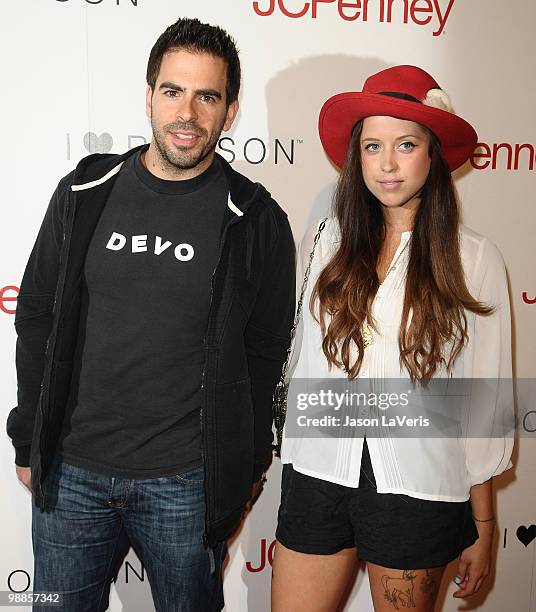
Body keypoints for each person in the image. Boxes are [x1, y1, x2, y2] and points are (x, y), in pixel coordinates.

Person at [6, 17, 295, 612]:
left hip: (186, 485)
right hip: (73, 475)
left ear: (230, 110)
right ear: (148, 97)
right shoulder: (86, 190)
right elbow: (35, 314)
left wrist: (245, 465)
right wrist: (29, 437)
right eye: (172, 91)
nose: (187, 112)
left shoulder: (256, 218)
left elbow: (266, 353)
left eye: (206, 96)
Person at [272, 65, 514, 612]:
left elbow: (484, 405)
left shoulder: (474, 258)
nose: (386, 164)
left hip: (419, 487)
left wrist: (484, 522)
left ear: (433, 155)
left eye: (405, 144)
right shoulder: (324, 239)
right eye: (372, 146)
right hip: (317, 471)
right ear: (356, 157)